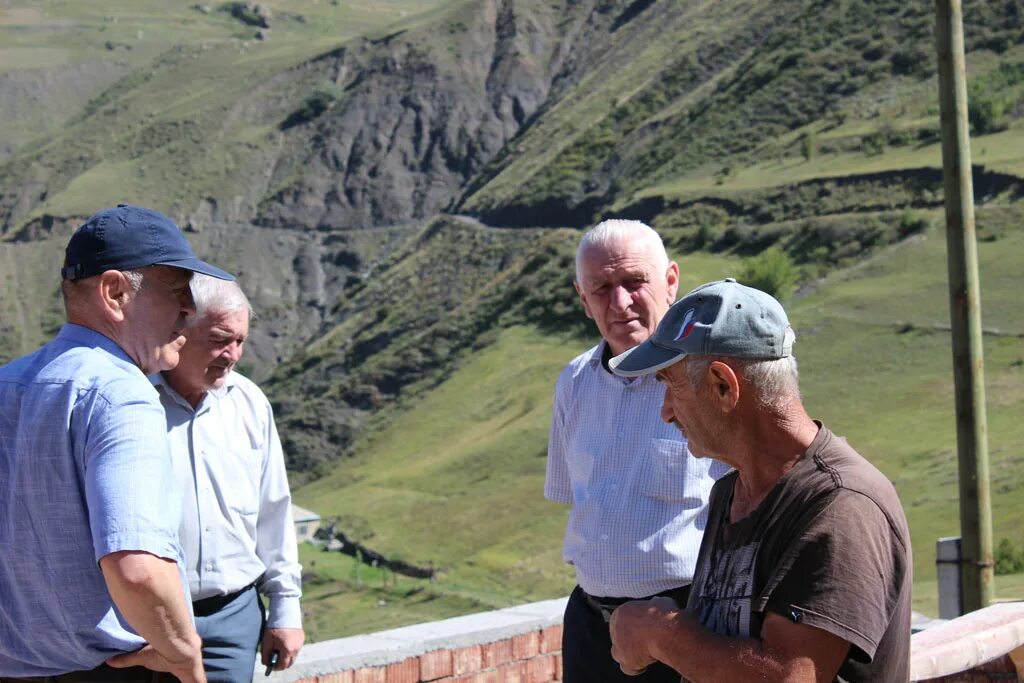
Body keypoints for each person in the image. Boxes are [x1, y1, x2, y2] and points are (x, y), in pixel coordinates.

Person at [607, 278, 912, 682]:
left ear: (722, 386)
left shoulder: (844, 504)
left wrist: (661, 634)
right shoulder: (730, 493)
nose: (665, 412)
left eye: (670, 386)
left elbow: (789, 676)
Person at [0, 204, 233, 683]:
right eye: (177, 292)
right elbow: (139, 571)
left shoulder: (8, 383)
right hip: (107, 669)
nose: (190, 311)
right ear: (115, 293)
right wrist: (185, 656)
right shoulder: (121, 395)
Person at [544, 219, 728, 682]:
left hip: (685, 624)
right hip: (590, 628)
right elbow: (575, 497)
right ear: (583, 299)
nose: (620, 302)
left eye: (633, 282)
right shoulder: (573, 383)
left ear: (670, 282)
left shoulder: (707, 379)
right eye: (601, 287)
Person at [153, 274, 304, 682]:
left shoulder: (250, 403)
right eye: (221, 339)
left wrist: (285, 610)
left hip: (233, 622)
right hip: (149, 623)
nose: (233, 354)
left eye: (240, 341)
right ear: (179, 329)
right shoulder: (131, 401)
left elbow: (274, 512)